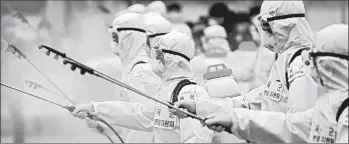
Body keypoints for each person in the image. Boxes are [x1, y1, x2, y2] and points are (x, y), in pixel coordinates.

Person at [171, 0, 320, 142]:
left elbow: (298, 128)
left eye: (267, 27)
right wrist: (199, 106)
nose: (264, 34)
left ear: (284, 26)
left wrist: (236, 121)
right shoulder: (285, 60)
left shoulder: (301, 64)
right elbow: (255, 101)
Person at [202, 23, 348, 143]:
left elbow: (292, 123)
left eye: (313, 60)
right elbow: (290, 126)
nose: (309, 65)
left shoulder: (295, 63)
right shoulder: (329, 104)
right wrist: (233, 120)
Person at [70, 31, 215, 143]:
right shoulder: (167, 91)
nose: (156, 58)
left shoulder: (191, 93)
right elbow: (140, 114)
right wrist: (95, 108)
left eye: (160, 54)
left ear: (180, 61)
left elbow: (197, 139)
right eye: (155, 52)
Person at [82, 12, 161, 143]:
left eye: (115, 38)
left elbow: (146, 120)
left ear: (129, 37)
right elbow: (130, 124)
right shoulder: (131, 70)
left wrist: (97, 108)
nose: (113, 43)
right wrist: (99, 124)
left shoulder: (142, 72)